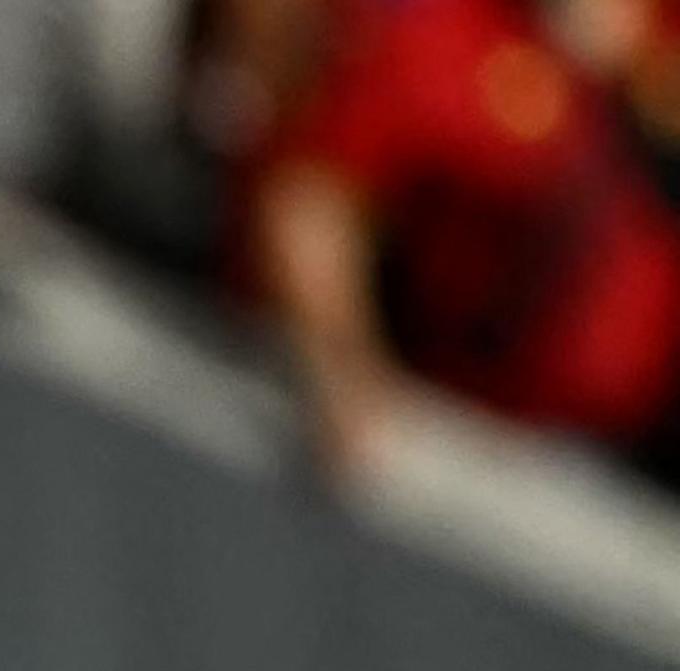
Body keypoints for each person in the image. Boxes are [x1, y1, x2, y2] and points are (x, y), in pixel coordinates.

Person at [248, 0, 680, 479]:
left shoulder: (653, 49)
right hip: (486, 434)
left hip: (639, 442)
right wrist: (343, 369)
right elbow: (311, 201)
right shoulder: (444, 41)